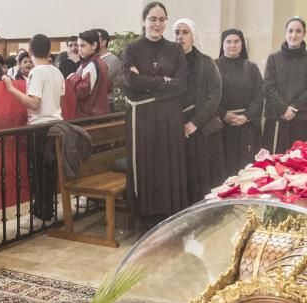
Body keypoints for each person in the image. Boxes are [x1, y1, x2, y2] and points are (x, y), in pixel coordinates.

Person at [122, 2, 189, 227]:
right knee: (147, 164)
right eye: (153, 19)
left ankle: (168, 216)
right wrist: (163, 81)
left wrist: (147, 82)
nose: (157, 24)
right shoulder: (132, 49)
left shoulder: (175, 49)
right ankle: (146, 218)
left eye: (161, 19)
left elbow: (181, 85)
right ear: (144, 21)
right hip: (143, 119)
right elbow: (130, 82)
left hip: (169, 117)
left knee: (167, 165)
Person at [3, 33, 64, 223]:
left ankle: (41, 213)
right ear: (49, 50)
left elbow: (34, 103)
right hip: (56, 124)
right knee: (50, 171)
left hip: (39, 127)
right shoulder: (57, 72)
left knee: (37, 172)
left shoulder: (37, 72)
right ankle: (49, 211)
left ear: (30, 51)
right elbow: (57, 100)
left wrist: (12, 89)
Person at [173, 18, 224, 203]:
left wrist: (194, 123)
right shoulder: (169, 63)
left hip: (200, 127)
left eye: (185, 32)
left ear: (193, 36)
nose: (180, 37)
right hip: (176, 127)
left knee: (201, 176)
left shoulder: (206, 62)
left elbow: (214, 96)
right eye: (177, 32)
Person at [261, 16, 307, 154]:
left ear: (304, 33)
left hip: (302, 119)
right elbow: (269, 87)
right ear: (285, 32)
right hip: (277, 118)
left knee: (300, 162)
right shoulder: (273, 58)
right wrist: (283, 109)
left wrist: (294, 107)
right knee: (275, 163)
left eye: (298, 31)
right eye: (290, 31)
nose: (294, 35)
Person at [216, 28, 263, 175]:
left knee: (246, 169)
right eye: (228, 42)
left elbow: (260, 94)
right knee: (223, 169)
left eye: (236, 41)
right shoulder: (213, 66)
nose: (232, 45)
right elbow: (208, 95)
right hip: (221, 126)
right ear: (222, 45)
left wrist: (247, 116)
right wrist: (223, 114)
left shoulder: (252, 68)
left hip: (246, 126)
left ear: (242, 44)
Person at [67, 29, 110, 117]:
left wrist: (73, 77)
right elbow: (109, 87)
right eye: (78, 46)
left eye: (83, 46)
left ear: (94, 45)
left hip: (91, 115)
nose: (79, 49)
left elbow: (82, 92)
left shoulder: (93, 64)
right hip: (98, 113)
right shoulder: (99, 63)